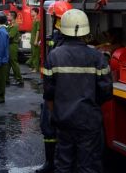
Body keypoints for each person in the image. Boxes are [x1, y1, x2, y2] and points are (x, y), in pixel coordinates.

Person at [42, 9, 113, 173]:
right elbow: (106, 92)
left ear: (63, 28)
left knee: (64, 165)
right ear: (85, 30)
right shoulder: (97, 57)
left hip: (64, 121)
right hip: (89, 122)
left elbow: (48, 94)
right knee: (88, 166)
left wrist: (58, 115)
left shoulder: (53, 56)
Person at [36, 0, 73, 173]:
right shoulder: (64, 36)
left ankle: (52, 164)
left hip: (57, 93)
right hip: (63, 92)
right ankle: (52, 163)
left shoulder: (61, 37)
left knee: (50, 126)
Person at [6, 11, 24, 86]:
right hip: (9, 45)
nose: (7, 16)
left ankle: (19, 79)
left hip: (13, 45)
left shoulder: (15, 25)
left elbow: (10, 36)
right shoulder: (10, 25)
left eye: (8, 15)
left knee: (13, 62)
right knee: (8, 63)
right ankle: (6, 79)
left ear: (12, 17)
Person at [28, 7, 41, 73]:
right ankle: (33, 66)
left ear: (36, 13)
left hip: (35, 40)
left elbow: (38, 31)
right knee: (33, 54)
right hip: (32, 40)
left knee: (36, 55)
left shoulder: (38, 20)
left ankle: (36, 68)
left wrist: (36, 40)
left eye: (32, 12)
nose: (31, 13)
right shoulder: (34, 20)